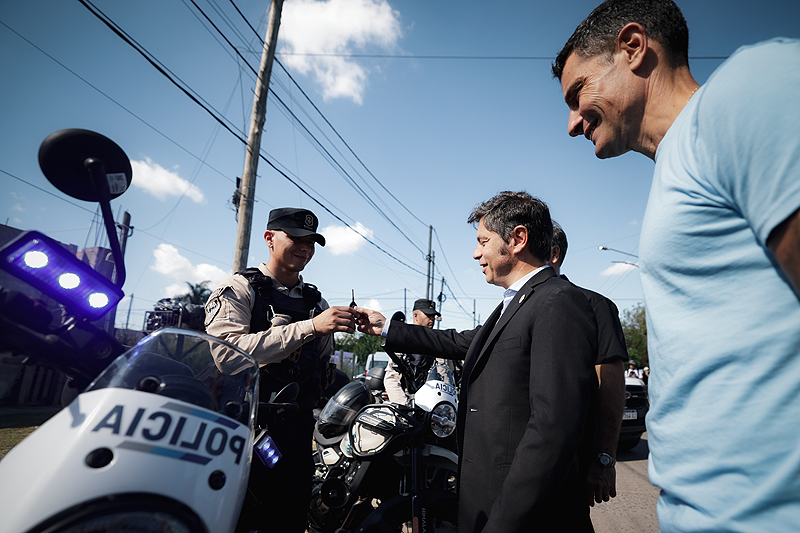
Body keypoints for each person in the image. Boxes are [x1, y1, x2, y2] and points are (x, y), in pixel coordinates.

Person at [553, 1, 800, 530]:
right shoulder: (675, 167)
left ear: (634, 48)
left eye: (578, 95)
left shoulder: (741, 93)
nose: (572, 124)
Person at [356, 191, 598, 533]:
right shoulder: (514, 305)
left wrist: (505, 521)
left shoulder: (558, 301)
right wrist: (387, 328)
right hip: (486, 501)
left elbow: (553, 429)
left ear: (517, 239)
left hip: (520, 515)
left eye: (483, 241)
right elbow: (455, 341)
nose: (475, 253)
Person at [204, 207, 357, 533]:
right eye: (297, 239)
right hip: (239, 432)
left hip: (296, 437)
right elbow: (226, 357)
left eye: (312, 242)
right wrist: (308, 329)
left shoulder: (316, 303)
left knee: (287, 518)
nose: (305, 248)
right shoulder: (240, 289)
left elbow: (323, 366)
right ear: (269, 238)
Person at [548, 223, 627, 507]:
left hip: (570, 466)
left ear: (553, 254)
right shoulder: (514, 309)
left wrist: (604, 460)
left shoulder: (595, 306)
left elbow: (611, 386)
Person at [382, 298, 441, 405]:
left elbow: (442, 377)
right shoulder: (403, 340)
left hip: (429, 404)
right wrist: (402, 406)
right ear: (415, 316)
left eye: (433, 316)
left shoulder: (435, 343)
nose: (432, 319)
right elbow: (391, 377)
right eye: (428, 315)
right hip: (406, 402)